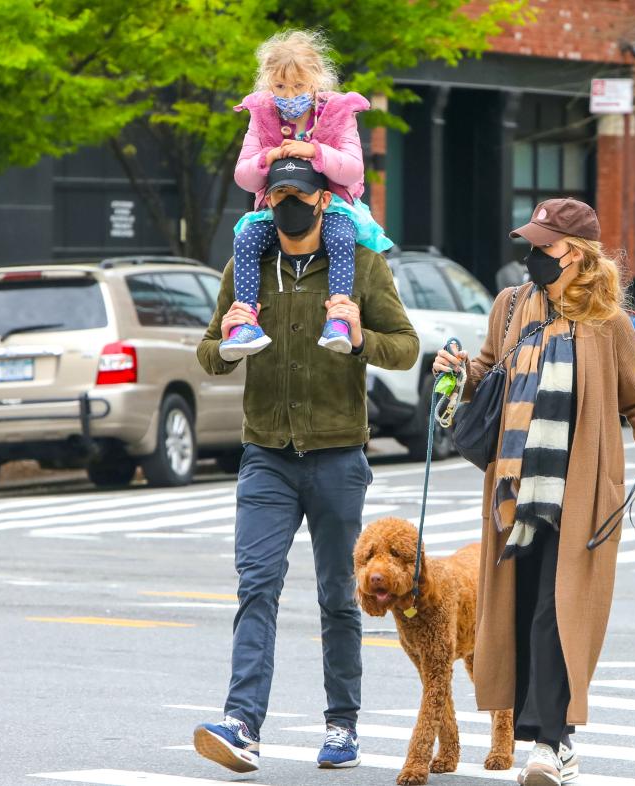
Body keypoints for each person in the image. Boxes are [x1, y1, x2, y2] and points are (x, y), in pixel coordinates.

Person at [432, 198, 635, 786]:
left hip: (581, 494)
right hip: (514, 490)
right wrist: (459, 369)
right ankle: (547, 738)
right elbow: (490, 373)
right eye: (531, 244)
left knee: (557, 611)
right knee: (520, 612)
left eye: (544, 246)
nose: (532, 255)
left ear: (577, 254)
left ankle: (553, 742)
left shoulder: (608, 323)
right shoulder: (511, 305)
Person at [193, 156, 419, 775]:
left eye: (301, 191)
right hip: (266, 456)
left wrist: (360, 342)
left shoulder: (361, 266)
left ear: (324, 201)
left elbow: (406, 347)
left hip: (338, 457)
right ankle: (242, 722)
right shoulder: (246, 267)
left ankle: (342, 725)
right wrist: (229, 337)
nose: (289, 200)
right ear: (266, 200)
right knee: (255, 585)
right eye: (279, 191)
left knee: (338, 596)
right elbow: (209, 353)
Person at [222, 28, 393, 361]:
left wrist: (314, 151)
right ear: (268, 84)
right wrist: (266, 158)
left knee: (341, 239)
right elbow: (243, 177)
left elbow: (353, 170)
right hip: (278, 205)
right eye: (280, 87)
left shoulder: (338, 114)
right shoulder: (261, 117)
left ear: (316, 79)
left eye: (298, 86)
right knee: (245, 241)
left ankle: (339, 318)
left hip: (330, 206)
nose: (289, 95)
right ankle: (246, 320)